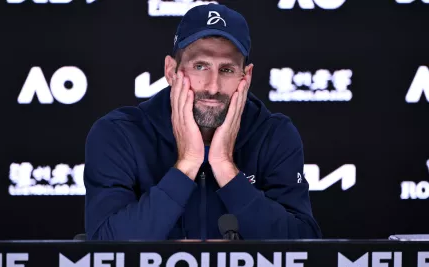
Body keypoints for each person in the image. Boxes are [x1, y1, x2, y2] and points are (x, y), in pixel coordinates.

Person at [83, 3, 322, 240]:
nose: (213, 87)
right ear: (171, 70)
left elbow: (305, 247)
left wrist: (225, 168)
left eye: (227, 70)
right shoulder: (119, 134)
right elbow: (104, 250)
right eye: (200, 66)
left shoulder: (273, 134)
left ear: (245, 76)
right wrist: (187, 164)